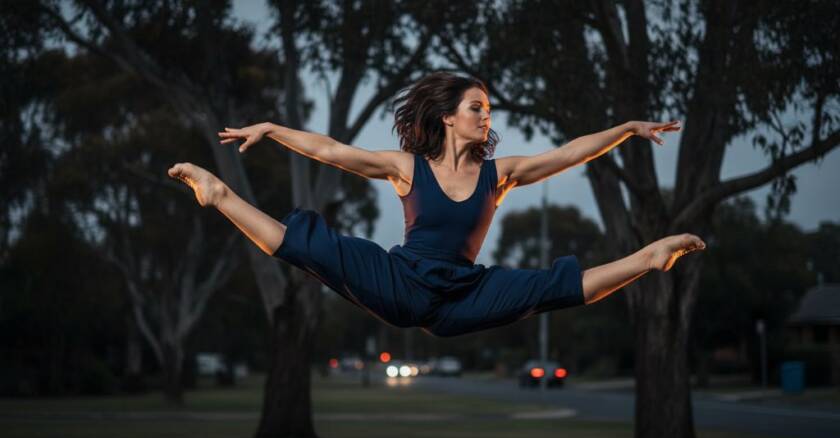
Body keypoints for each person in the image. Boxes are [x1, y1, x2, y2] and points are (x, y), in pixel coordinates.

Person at [167, 72, 704, 337]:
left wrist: (628, 129)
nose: (485, 117)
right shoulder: (407, 169)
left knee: (548, 288)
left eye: (488, 110)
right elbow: (331, 151)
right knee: (311, 245)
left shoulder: (502, 175)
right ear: (448, 116)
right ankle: (219, 195)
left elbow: (567, 154)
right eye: (477, 107)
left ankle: (650, 257)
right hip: (401, 282)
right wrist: (271, 128)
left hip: (462, 296)